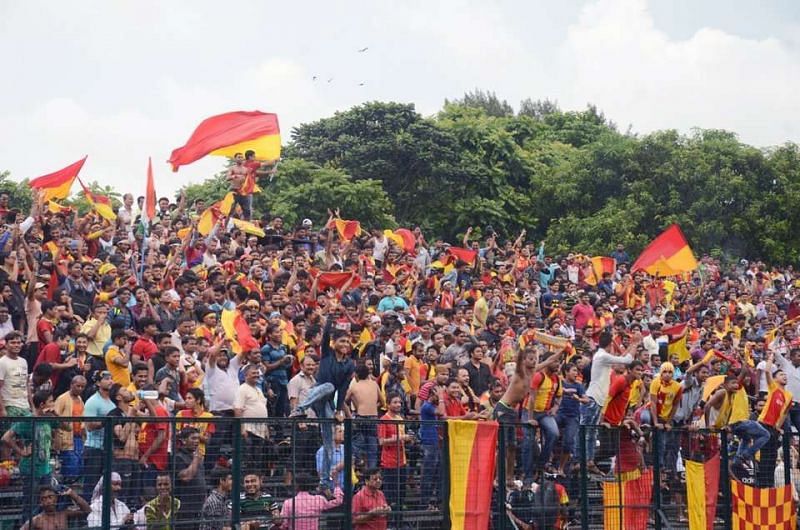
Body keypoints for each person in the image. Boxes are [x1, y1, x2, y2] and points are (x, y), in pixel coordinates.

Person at [290, 307, 355, 489]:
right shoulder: (326, 353)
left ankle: (325, 482)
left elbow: (342, 390)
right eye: (341, 341)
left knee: (328, 444)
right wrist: (330, 319)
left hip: (326, 402)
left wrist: (337, 411)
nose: (345, 344)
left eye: (347, 342)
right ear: (335, 343)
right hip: (316, 392)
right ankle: (299, 409)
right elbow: (325, 336)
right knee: (328, 386)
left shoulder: (349, 364)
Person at [3, 389, 57, 526]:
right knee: (31, 506)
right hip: (30, 469)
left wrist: (54, 413)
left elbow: (67, 427)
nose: (54, 403)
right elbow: (6, 437)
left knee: (45, 504)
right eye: (51, 401)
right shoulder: (28, 419)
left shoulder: (49, 418)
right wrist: (21, 452)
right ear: (42, 404)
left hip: (45, 469)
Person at [82, 370, 116, 500]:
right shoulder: (93, 401)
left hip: (108, 448)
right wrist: (107, 421)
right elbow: (89, 426)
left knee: (107, 484)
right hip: (94, 447)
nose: (110, 381)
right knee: (91, 484)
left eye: (111, 378)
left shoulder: (112, 401)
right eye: (106, 379)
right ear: (97, 382)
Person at [278, 472, 343, 530]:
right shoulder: (318, 500)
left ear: (296, 486)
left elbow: (284, 524)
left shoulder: (288, 503)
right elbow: (338, 501)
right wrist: (336, 484)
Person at [53, 375, 86, 483]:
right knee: (70, 466)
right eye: (78, 386)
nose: (80, 389)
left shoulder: (80, 399)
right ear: (71, 385)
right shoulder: (63, 398)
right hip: (66, 437)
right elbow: (55, 415)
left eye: (82, 387)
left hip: (78, 437)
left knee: (80, 465)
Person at [173, 427, 206, 524]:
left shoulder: (196, 457)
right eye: (193, 438)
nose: (197, 441)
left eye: (198, 439)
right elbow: (186, 477)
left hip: (198, 507)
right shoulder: (179, 457)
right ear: (183, 440)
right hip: (185, 508)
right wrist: (196, 458)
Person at [20, 485, 91, 530]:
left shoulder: (64, 513)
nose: (48, 501)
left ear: (56, 498)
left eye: (50, 497)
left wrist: (72, 494)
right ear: (40, 503)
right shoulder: (37, 520)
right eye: (44, 498)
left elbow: (87, 510)